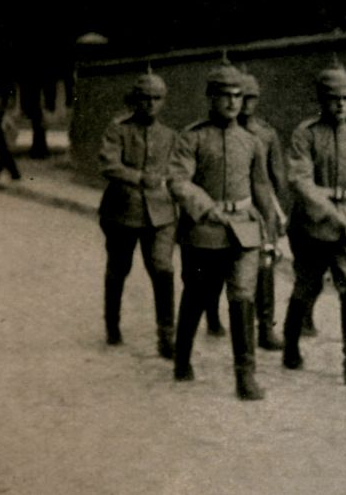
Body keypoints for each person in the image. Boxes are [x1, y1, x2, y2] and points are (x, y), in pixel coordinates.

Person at [168, 62, 276, 400]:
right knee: (197, 295)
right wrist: (205, 206)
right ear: (211, 98)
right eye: (225, 95)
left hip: (244, 228)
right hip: (204, 230)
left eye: (237, 96)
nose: (232, 102)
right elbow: (178, 180)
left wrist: (271, 231)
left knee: (243, 297)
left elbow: (262, 187)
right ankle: (181, 358)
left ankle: (245, 376)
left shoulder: (252, 142)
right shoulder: (193, 137)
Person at [280, 59, 346, 389]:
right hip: (313, 226)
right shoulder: (305, 135)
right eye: (334, 99)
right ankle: (290, 343)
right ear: (322, 100)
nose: (341, 105)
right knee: (307, 287)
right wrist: (331, 211)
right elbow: (300, 181)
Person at [203, 64, 286, 351]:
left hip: (257, 210)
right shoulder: (217, 131)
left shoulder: (266, 134)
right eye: (243, 97)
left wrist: (275, 214)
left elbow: (276, 177)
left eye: (251, 98)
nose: (246, 104)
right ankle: (213, 316)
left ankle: (265, 327)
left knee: (264, 268)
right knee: (216, 268)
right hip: (226, 210)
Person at [97, 70, 178, 358]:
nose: (151, 104)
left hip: (161, 215)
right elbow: (109, 165)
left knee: (163, 269)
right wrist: (140, 177)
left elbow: (177, 171)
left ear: (163, 101)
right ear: (135, 100)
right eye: (145, 98)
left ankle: (166, 336)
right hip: (123, 212)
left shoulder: (170, 136)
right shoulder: (118, 130)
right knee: (119, 268)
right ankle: (112, 325)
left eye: (157, 98)